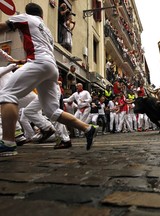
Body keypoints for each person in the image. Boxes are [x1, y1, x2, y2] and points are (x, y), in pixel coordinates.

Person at [0, 3, 96, 157]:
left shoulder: (26, 18)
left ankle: (8, 142)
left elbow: (4, 27)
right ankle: (87, 128)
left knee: (6, 95)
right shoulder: (46, 30)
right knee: (52, 111)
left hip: (39, 63)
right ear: (42, 15)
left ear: (28, 12)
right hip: (51, 68)